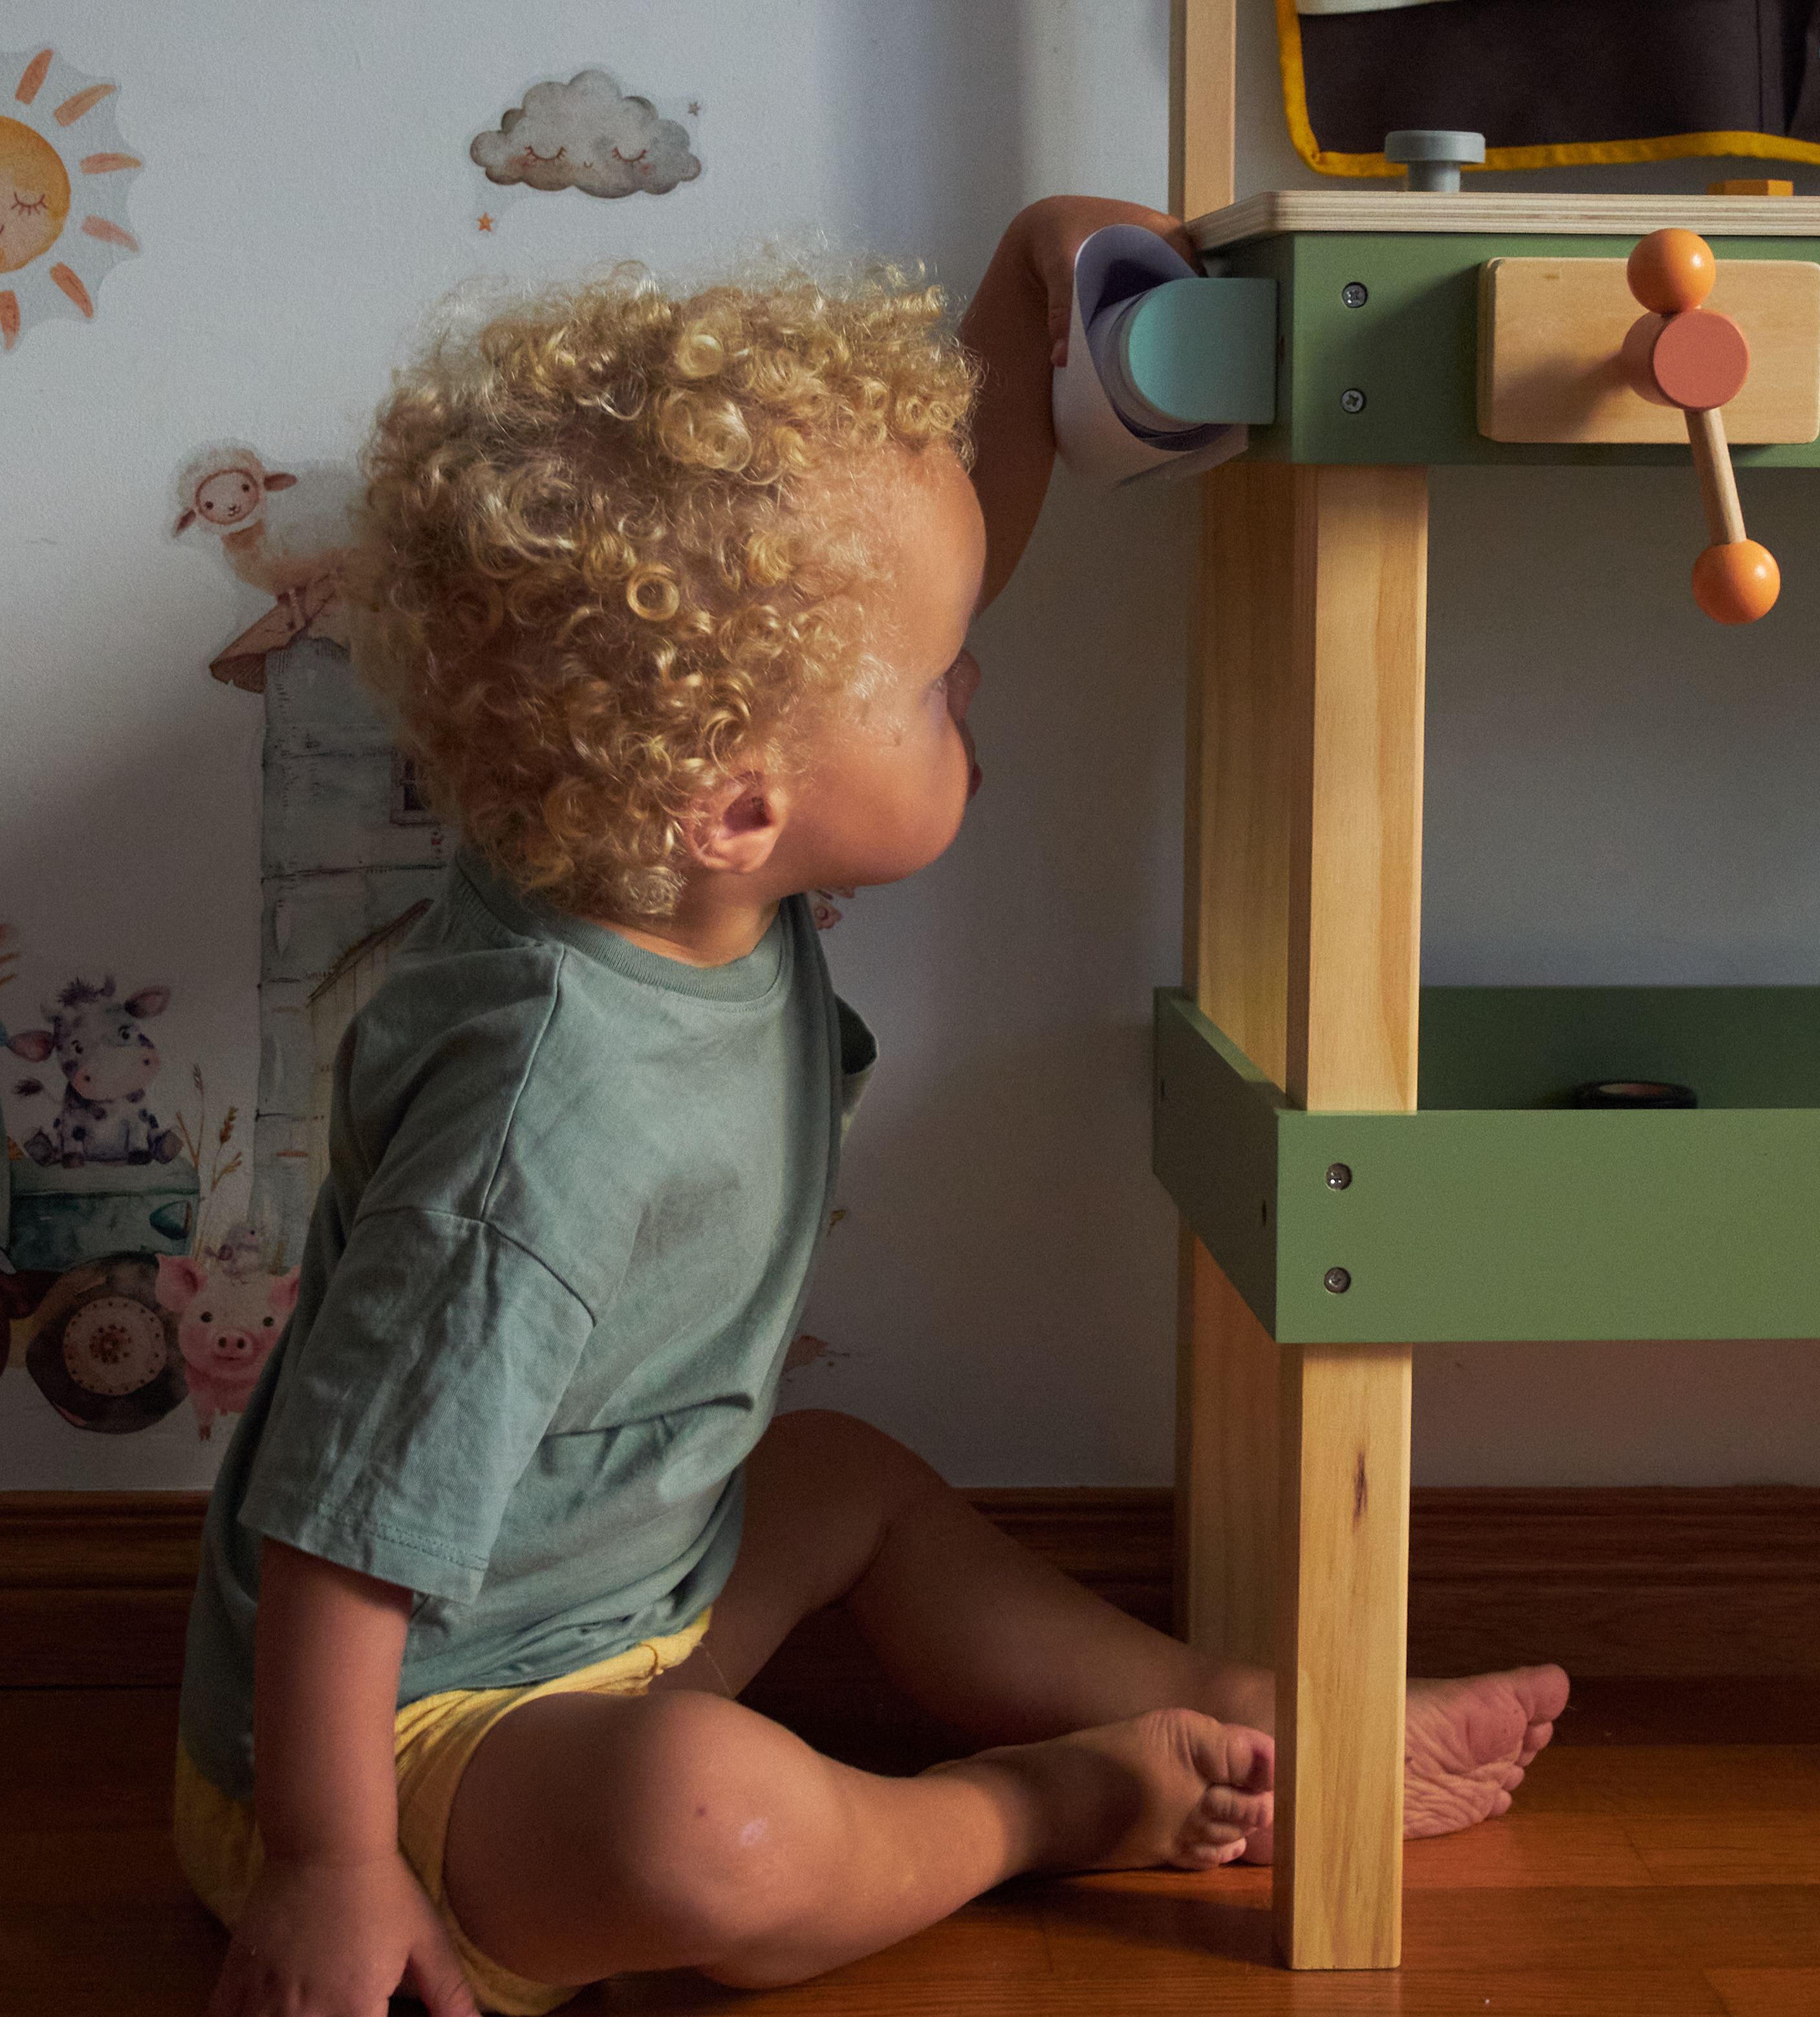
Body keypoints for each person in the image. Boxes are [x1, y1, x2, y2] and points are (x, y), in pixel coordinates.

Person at [172, 195, 1570, 2016]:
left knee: (844, 1483)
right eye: (928, 689)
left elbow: (926, 551)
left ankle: (1250, 1709)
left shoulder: (674, 866)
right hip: (423, 1747)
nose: (972, 679)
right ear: (744, 803)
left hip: (634, 1604)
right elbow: (340, 1522)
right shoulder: (536, 1126)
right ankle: (1045, 1802)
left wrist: (1032, 289)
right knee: (710, 1830)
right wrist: (332, 1868)